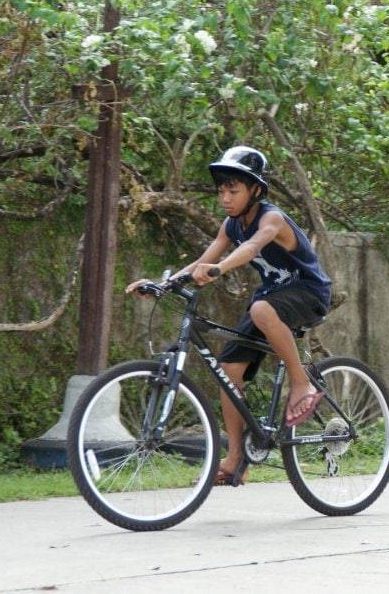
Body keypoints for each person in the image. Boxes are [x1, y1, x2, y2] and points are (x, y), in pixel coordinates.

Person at [126, 145, 332, 484]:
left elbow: (252, 249)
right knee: (229, 369)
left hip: (309, 292)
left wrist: (219, 269)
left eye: (233, 190)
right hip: (270, 297)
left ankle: (301, 382)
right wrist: (164, 284)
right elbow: (202, 261)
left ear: (256, 190)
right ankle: (236, 460)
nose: (225, 197)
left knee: (261, 308)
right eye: (221, 190)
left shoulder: (271, 218)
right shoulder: (231, 225)